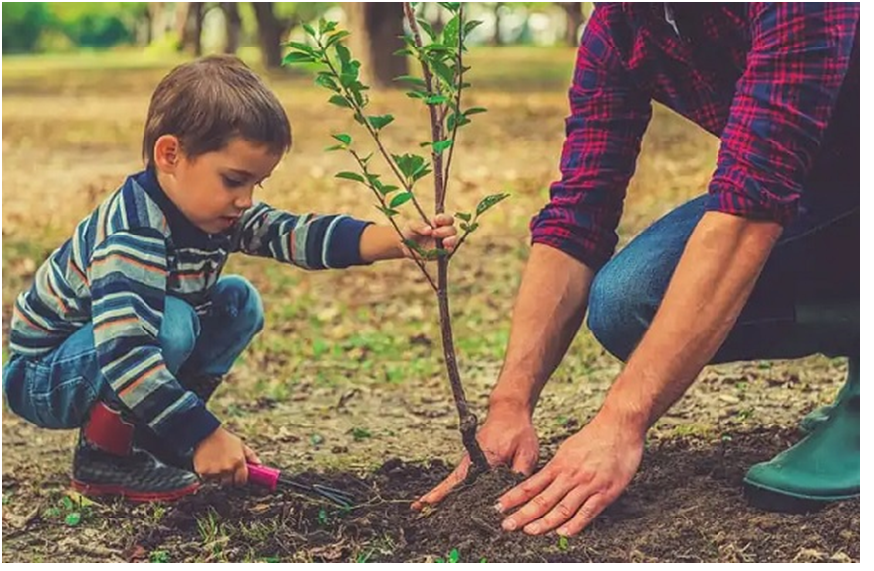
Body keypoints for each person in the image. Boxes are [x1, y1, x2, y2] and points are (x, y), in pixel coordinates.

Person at [415, 3, 859, 537]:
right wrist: (510, 405)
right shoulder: (624, 25)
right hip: (830, 182)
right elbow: (579, 211)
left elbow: (750, 209)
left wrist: (621, 422)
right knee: (632, 299)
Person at [2, 55, 458, 502]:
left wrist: (395, 240)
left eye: (256, 184)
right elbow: (124, 353)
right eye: (234, 180)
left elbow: (292, 232)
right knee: (172, 321)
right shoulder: (133, 232)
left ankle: (158, 436)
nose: (245, 200)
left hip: (107, 357)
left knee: (237, 301)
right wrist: (204, 435)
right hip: (44, 374)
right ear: (170, 154)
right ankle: (106, 457)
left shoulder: (214, 210)